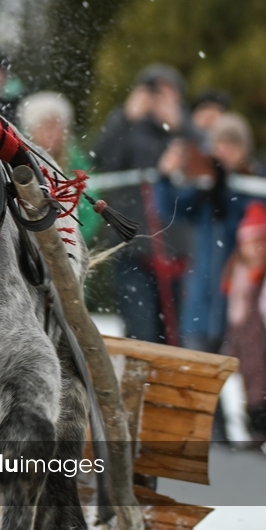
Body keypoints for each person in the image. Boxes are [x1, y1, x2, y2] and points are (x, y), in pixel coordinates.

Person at [93, 64, 198, 344]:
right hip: (134, 247)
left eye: (166, 92)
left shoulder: (186, 129)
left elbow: (207, 164)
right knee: (140, 333)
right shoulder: (126, 125)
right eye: (152, 91)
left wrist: (180, 126)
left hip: (176, 248)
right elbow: (104, 160)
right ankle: (138, 386)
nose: (157, 99)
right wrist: (126, 117)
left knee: (176, 336)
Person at [157, 112, 266, 352]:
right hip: (201, 296)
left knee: (243, 369)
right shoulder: (204, 184)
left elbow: (252, 220)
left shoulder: (256, 182)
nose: (225, 151)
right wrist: (165, 176)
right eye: (220, 144)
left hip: (242, 299)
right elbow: (169, 208)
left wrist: (227, 190)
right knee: (198, 371)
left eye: (232, 144)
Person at [16, 91, 100, 244]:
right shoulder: (18, 158)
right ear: (31, 130)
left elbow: (90, 210)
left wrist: (72, 239)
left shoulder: (76, 161)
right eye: (45, 127)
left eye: (56, 126)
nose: (51, 134)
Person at [221, 202, 266, 442]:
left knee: (261, 382)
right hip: (244, 337)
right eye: (252, 243)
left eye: (262, 243)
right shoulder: (236, 271)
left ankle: (261, 424)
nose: (257, 249)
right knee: (250, 381)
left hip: (261, 339)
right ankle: (255, 426)